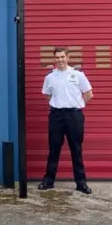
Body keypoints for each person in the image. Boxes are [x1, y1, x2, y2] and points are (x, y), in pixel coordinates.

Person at [39, 47, 93, 195]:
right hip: (56, 116)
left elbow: (88, 94)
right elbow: (47, 95)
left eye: (62, 57)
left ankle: (81, 183)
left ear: (68, 58)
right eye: (57, 57)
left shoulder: (77, 75)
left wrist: (75, 105)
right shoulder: (50, 77)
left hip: (74, 116)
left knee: (76, 149)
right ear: (54, 59)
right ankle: (48, 181)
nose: (60, 60)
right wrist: (59, 105)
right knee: (54, 149)